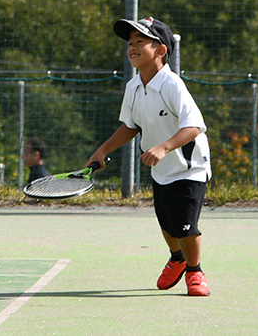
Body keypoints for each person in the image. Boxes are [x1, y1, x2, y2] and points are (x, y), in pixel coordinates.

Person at [86, 16, 212, 297]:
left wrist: (164, 147)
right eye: (130, 42)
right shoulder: (133, 87)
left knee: (186, 225)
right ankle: (177, 259)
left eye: (140, 41)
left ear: (160, 50)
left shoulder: (172, 84)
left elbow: (194, 126)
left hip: (189, 167)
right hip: (160, 169)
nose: (132, 47)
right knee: (167, 223)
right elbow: (130, 126)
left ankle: (195, 270)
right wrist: (103, 150)